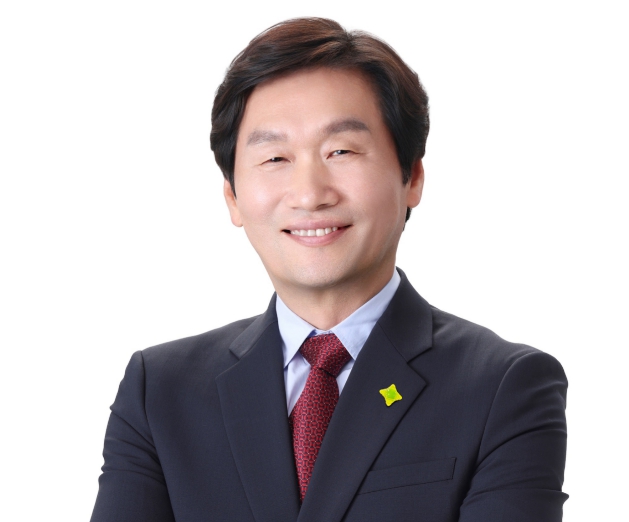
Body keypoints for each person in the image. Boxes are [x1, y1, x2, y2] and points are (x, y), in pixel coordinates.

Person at [90, 17, 568, 522]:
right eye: (275, 157)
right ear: (232, 197)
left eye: (341, 151)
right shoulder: (160, 392)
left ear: (412, 177)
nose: (310, 194)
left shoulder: (503, 386)